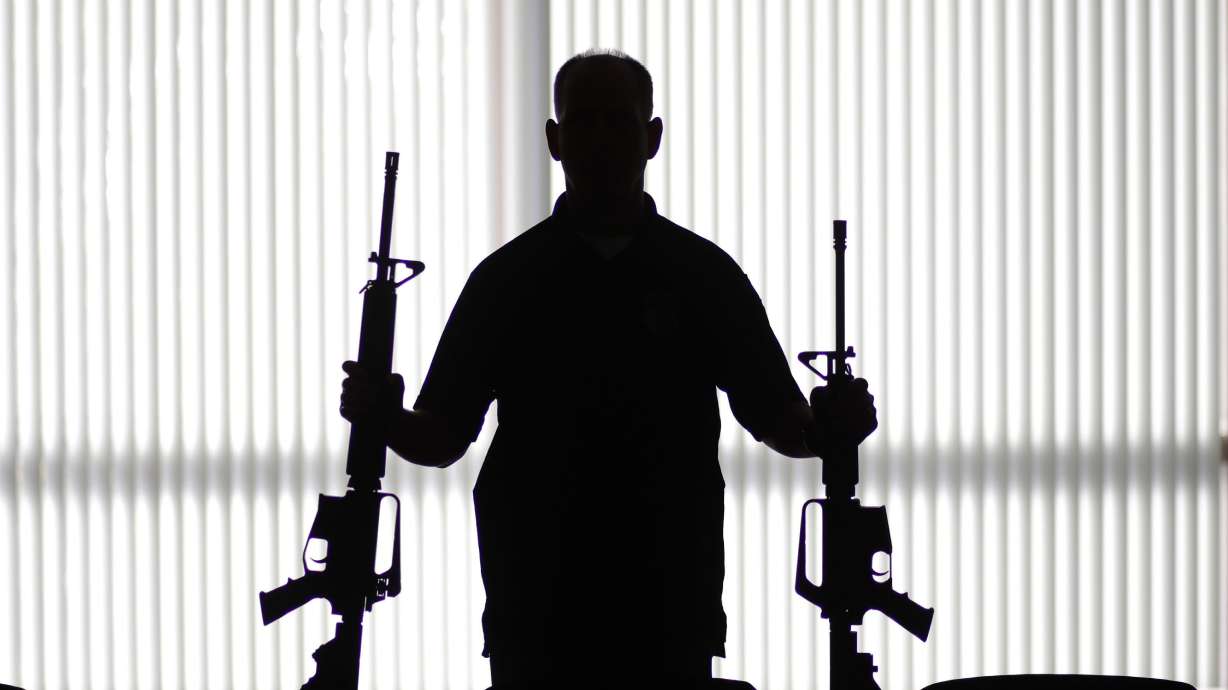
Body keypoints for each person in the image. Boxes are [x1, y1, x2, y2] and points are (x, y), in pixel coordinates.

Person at [339, 49, 877, 690]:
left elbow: (781, 420)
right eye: (584, 122)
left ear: (651, 138)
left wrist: (831, 426)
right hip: (538, 614)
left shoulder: (703, 278)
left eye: (618, 122)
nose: (600, 141)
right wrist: (385, 418)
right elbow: (443, 434)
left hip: (668, 611)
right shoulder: (508, 280)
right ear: (554, 140)